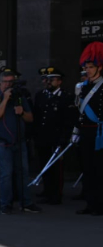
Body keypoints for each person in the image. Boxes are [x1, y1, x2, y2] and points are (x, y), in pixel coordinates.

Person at [0, 68, 40, 215]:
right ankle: (6, 204)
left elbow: (30, 118)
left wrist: (21, 111)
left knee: (23, 173)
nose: (8, 85)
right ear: (0, 84)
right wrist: (5, 99)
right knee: (6, 174)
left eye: (11, 82)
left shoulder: (20, 98)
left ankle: (26, 202)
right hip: (2, 143)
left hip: (19, 141)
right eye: (6, 82)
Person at [32, 68, 76, 205]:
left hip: (57, 137)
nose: (49, 82)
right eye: (48, 79)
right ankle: (47, 190)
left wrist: (65, 137)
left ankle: (56, 195)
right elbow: (38, 116)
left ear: (60, 81)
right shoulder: (40, 95)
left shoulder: (66, 97)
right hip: (42, 136)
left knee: (56, 168)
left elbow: (68, 119)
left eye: (52, 80)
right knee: (44, 164)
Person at [74, 42, 103, 215]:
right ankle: (91, 204)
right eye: (86, 67)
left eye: (91, 67)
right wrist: (75, 132)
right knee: (88, 169)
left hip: (100, 133)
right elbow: (79, 113)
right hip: (86, 132)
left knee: (100, 170)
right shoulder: (82, 87)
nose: (88, 70)